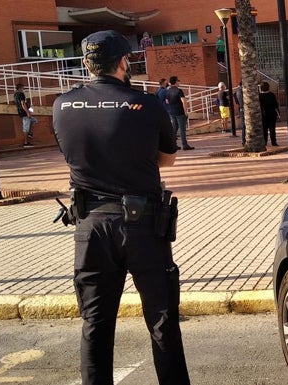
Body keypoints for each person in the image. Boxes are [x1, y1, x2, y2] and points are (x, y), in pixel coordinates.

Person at [52, 30, 191, 385]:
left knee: (95, 323)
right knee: (162, 321)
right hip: (142, 223)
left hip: (90, 225)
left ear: (86, 64)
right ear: (124, 62)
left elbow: (71, 154)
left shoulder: (62, 105)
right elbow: (167, 160)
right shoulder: (146, 103)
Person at [166, 76, 194, 150]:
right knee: (182, 129)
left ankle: (173, 145)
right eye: (178, 80)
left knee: (174, 129)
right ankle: (184, 144)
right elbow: (184, 101)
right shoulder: (179, 91)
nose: (179, 82)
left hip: (172, 112)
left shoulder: (168, 91)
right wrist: (186, 112)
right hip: (180, 112)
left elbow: (167, 101)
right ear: (175, 82)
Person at [14, 83, 37, 147]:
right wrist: (27, 112)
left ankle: (30, 133)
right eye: (23, 88)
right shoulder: (21, 94)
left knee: (34, 120)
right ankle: (26, 143)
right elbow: (23, 103)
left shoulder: (15, 95)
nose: (23, 89)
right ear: (20, 88)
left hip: (21, 111)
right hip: (24, 112)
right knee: (26, 127)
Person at [259, 81, 279, 146]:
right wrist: (278, 113)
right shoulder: (272, 95)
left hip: (263, 114)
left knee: (264, 129)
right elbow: (276, 104)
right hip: (272, 114)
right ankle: (274, 142)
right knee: (272, 129)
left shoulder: (260, 96)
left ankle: (265, 142)